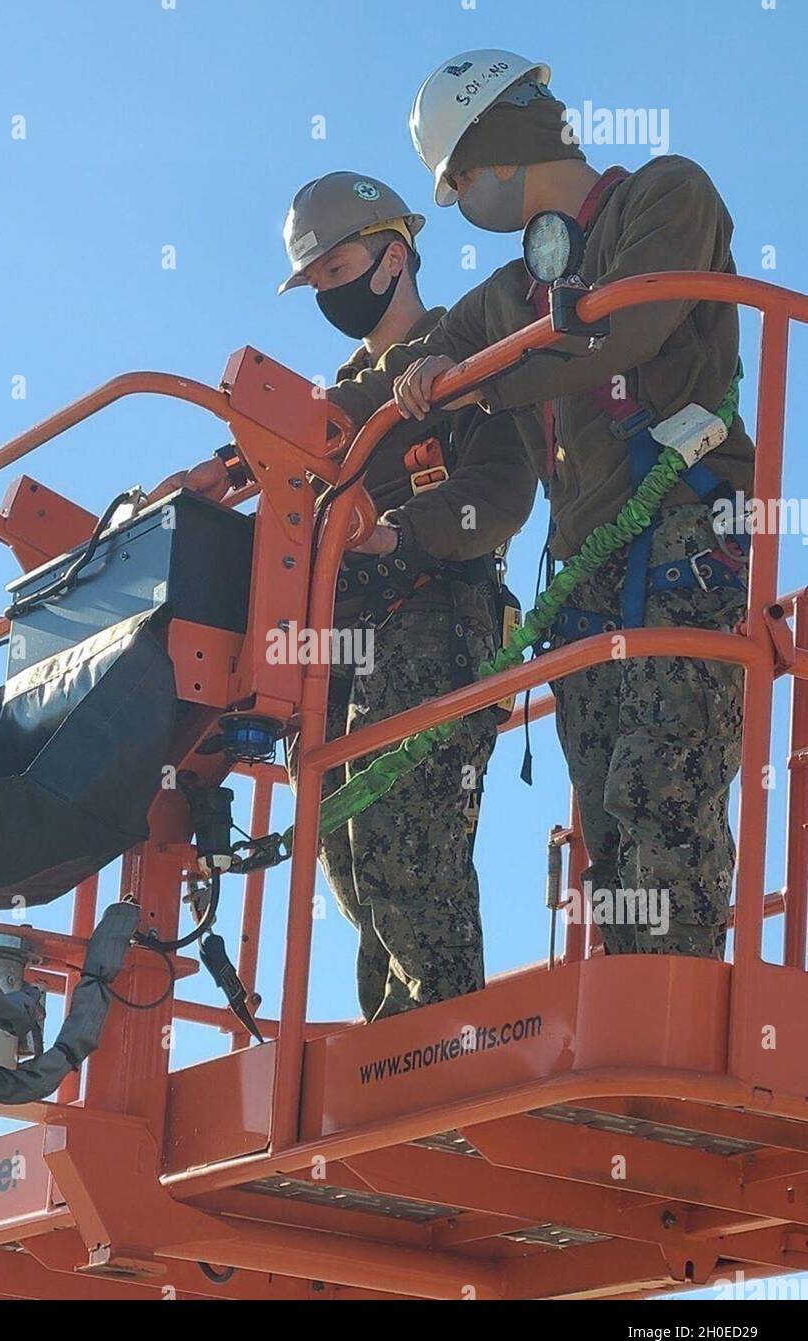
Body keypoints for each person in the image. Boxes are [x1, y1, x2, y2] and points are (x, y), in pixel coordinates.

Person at [324, 50, 755, 961]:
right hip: (585, 572)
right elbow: (408, 377)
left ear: (500, 144)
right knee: (605, 805)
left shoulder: (665, 194)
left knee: (658, 792)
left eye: (462, 179)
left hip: (682, 532)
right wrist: (256, 439)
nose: (463, 201)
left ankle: (667, 1011)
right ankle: (632, 1000)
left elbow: (626, 327)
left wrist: (477, 383)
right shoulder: (514, 287)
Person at [177, 171, 534, 1019]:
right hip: (339, 647)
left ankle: (441, 1054)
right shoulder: (326, 407)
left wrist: (398, 533)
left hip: (436, 616)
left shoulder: (465, 351)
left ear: (394, 257)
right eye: (316, 281)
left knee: (407, 846)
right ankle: (392, 1056)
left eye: (337, 270)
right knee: (347, 856)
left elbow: (501, 490)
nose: (326, 293)